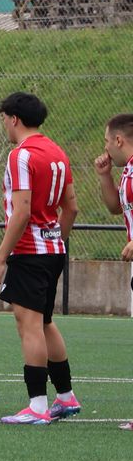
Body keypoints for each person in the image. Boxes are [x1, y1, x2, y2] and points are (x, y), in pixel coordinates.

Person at [0, 93, 81, 425]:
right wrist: (56, 240)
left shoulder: (20, 155)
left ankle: (38, 406)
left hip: (29, 252)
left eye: (4, 120)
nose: (4, 126)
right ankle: (66, 398)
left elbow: (22, 210)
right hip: (53, 252)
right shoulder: (57, 151)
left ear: (14, 119)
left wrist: (0, 258)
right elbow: (71, 207)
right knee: (43, 321)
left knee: (28, 324)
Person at [92, 112, 133, 430]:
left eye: (107, 141)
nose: (105, 148)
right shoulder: (127, 171)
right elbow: (115, 207)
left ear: (119, 140)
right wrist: (105, 176)